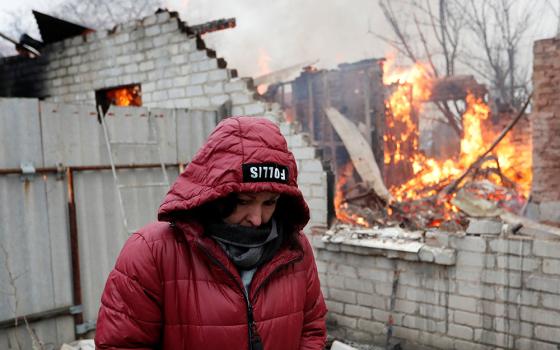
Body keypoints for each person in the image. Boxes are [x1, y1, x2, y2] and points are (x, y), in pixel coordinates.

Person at [94, 116, 327, 350]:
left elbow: (312, 329)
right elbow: (121, 345)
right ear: (215, 196)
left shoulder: (295, 249)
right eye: (244, 201)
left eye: (270, 202)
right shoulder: (151, 252)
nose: (257, 219)